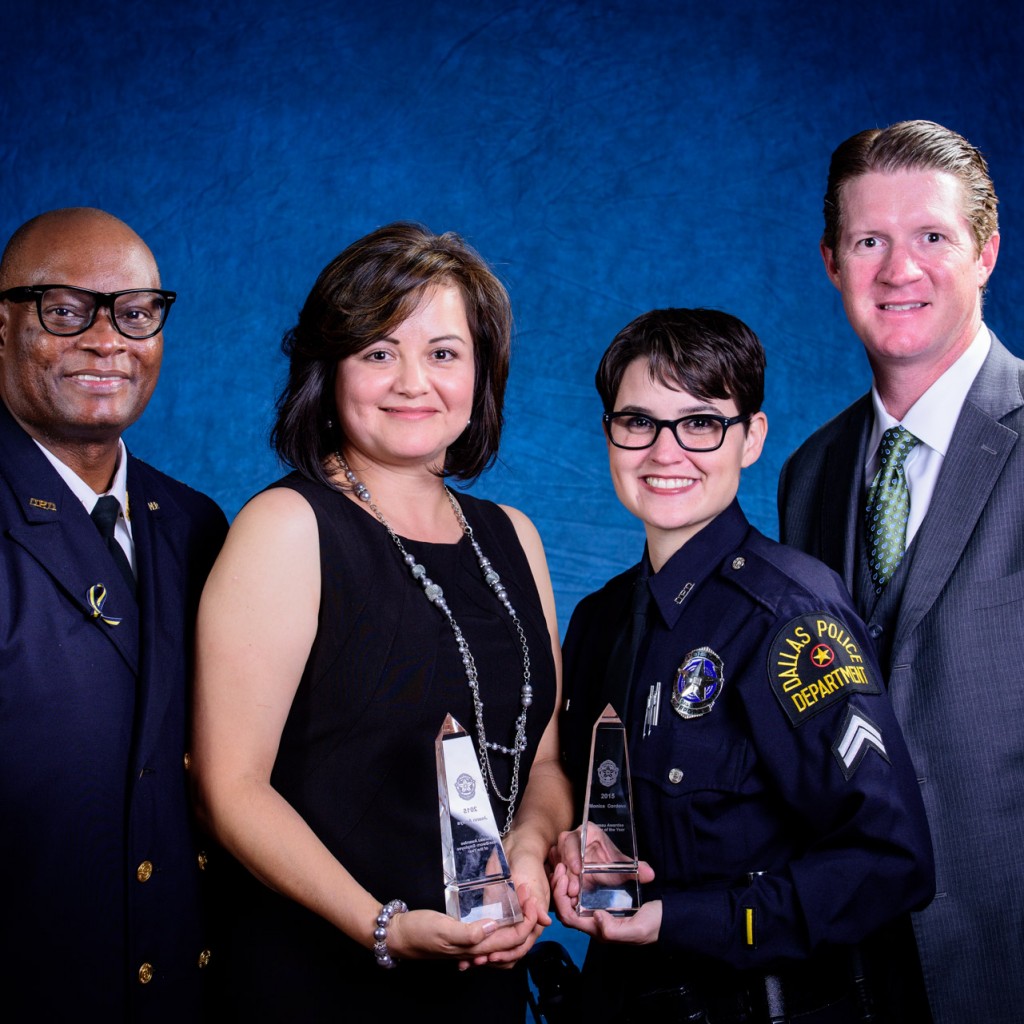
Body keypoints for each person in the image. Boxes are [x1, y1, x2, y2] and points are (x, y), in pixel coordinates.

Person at [192, 221, 570, 1021]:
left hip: (480, 980)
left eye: (443, 353)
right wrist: (383, 926)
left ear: (481, 375)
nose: (411, 381)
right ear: (328, 371)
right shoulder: (287, 528)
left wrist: (530, 857)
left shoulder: (515, 537)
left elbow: (541, 766)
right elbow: (230, 789)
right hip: (321, 981)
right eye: (377, 352)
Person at [552, 308, 934, 1023]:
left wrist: (684, 919)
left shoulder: (790, 616)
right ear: (609, 434)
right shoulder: (599, 622)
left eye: (700, 424)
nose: (665, 453)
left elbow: (891, 861)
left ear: (750, 438)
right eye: (638, 422)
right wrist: (572, 848)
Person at [778, 119, 1024, 1023]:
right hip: (852, 968)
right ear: (832, 261)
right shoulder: (810, 473)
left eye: (932, 237)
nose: (899, 269)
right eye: (869, 241)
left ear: (987, 252)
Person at [0, 207, 228, 1020]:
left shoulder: (199, 524)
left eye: (134, 313)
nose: (107, 340)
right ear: (1, 326)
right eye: (65, 311)